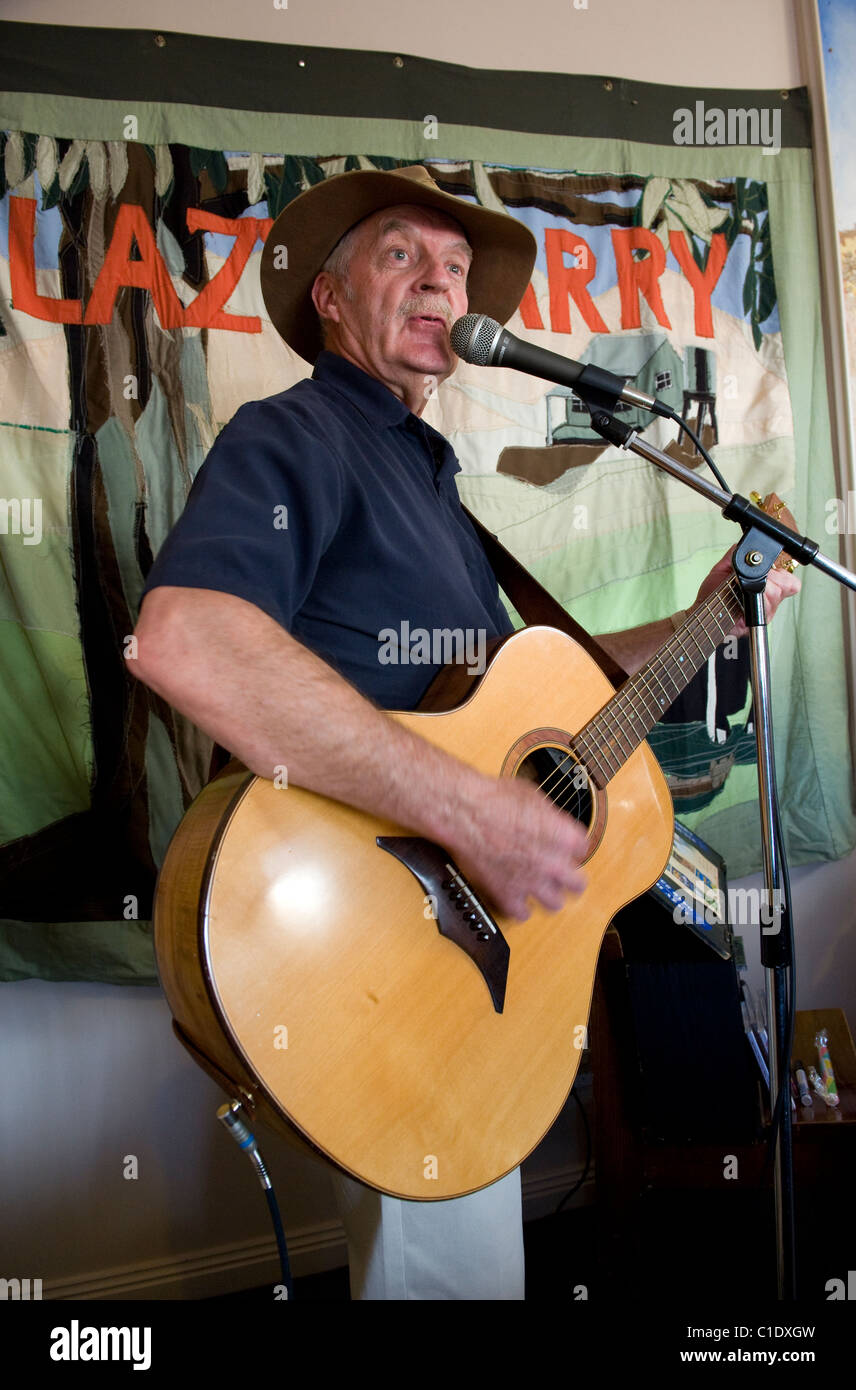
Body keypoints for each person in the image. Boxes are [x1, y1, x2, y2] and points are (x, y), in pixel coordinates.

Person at [131, 164, 799, 1300]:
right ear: (330, 299)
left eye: (453, 266)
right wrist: (466, 810)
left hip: (459, 962)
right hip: (381, 946)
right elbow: (183, 638)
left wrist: (709, 621)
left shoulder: (428, 480)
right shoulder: (295, 436)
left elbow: (536, 705)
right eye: (401, 255)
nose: (439, 282)